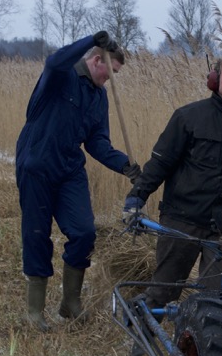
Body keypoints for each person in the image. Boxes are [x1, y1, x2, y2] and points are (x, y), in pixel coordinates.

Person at [123, 53, 222, 352]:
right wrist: (136, 198)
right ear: (215, 80)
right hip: (181, 220)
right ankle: (140, 343)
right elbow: (160, 164)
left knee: (216, 300)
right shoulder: (187, 117)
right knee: (165, 289)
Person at [16, 31, 141, 331]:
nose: (110, 79)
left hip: (70, 170)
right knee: (37, 234)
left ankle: (70, 304)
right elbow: (54, 62)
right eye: (110, 72)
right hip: (37, 164)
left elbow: (97, 143)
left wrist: (125, 165)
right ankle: (34, 312)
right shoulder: (62, 77)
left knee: (84, 232)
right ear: (97, 60)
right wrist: (91, 39)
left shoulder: (99, 96)